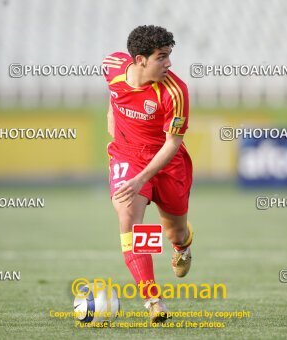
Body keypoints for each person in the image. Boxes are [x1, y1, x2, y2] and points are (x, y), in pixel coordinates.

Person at [102, 25, 194, 323]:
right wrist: (112, 122)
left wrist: (143, 177)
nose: (168, 63)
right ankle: (153, 300)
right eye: (161, 57)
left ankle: (182, 244)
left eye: (169, 56)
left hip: (167, 163)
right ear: (139, 59)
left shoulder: (175, 91)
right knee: (130, 219)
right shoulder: (113, 65)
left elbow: (173, 143)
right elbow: (113, 96)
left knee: (173, 231)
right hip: (127, 156)